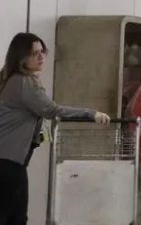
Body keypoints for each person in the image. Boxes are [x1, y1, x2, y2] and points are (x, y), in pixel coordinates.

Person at [0, 33, 111, 225]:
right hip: (9, 164)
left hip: (7, 161)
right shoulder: (24, 83)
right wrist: (91, 114)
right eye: (35, 53)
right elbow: (52, 110)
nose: (41, 57)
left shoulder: (10, 78)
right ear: (21, 57)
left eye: (42, 51)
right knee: (15, 219)